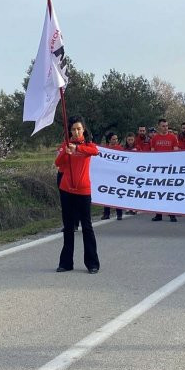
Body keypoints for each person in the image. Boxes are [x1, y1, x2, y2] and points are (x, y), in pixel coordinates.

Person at [55, 116, 102, 272]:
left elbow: (95, 151)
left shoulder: (87, 145)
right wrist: (65, 152)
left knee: (87, 227)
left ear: (83, 130)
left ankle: (92, 263)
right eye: (73, 129)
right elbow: (58, 163)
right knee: (68, 227)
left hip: (83, 190)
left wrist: (77, 149)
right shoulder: (66, 145)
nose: (76, 132)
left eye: (79, 129)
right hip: (66, 189)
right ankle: (66, 263)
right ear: (70, 130)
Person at [150, 118, 179, 222]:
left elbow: (175, 152)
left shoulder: (173, 137)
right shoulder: (154, 138)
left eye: (166, 126)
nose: (165, 128)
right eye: (163, 126)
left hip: (170, 169)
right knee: (158, 192)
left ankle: (172, 214)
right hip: (158, 169)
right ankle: (158, 214)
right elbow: (152, 153)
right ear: (159, 126)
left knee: (170, 192)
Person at [100, 132, 123, 220]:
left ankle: (119, 214)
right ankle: (106, 214)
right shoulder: (105, 149)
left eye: (116, 139)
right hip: (107, 175)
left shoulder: (120, 148)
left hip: (117, 175)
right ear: (109, 140)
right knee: (107, 194)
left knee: (117, 194)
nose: (115, 141)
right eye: (113, 139)